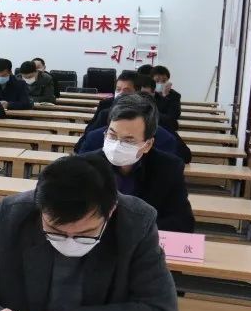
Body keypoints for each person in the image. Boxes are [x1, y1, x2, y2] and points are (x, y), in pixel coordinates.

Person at [0, 155, 178, 311]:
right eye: (55, 231)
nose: (69, 241)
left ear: (111, 209)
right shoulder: (13, 216)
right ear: (39, 208)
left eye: (85, 234)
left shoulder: (136, 224)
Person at [79, 95, 194, 233]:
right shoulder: (85, 165)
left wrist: (131, 230)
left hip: (143, 240)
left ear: (147, 145)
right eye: (112, 136)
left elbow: (183, 222)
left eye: (128, 140)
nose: (116, 146)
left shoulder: (169, 168)